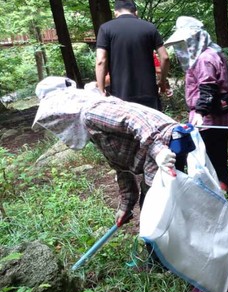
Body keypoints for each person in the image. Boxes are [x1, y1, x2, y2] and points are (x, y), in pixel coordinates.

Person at [32, 77, 189, 229]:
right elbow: (121, 167)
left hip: (166, 144)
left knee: (156, 210)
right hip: (157, 150)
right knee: (156, 209)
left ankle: (172, 249)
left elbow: (133, 118)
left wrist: (158, 151)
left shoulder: (91, 112)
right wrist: (125, 206)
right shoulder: (90, 125)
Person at [165, 17, 228, 200]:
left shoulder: (205, 58)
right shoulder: (213, 53)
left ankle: (216, 194)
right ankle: (225, 189)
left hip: (210, 118)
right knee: (218, 155)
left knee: (207, 157)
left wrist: (200, 112)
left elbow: (208, 87)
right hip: (219, 116)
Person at [95, 0, 170, 110]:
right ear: (136, 12)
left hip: (120, 94)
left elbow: (101, 61)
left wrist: (101, 91)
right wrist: (162, 83)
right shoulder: (150, 27)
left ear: (115, 12)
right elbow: (165, 57)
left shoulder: (105, 29)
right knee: (151, 126)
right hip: (148, 92)